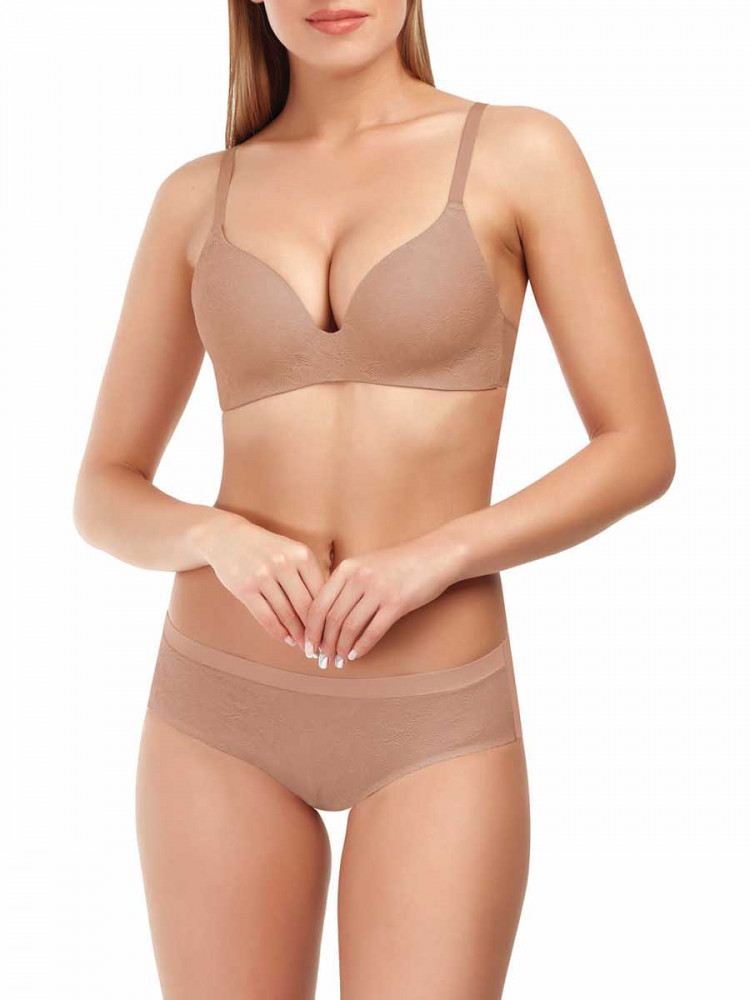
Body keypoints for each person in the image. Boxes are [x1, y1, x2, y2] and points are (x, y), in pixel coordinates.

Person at [73, 2, 676, 997]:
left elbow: (638, 448)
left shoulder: (517, 152)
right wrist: (215, 536)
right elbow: (102, 490)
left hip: (435, 713)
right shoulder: (196, 196)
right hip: (218, 703)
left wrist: (439, 555)